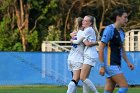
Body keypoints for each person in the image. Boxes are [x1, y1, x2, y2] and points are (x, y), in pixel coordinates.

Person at [99, 9, 135, 93]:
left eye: (127, 18)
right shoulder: (109, 29)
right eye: (125, 17)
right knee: (124, 87)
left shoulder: (122, 32)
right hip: (110, 64)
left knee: (108, 90)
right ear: (118, 17)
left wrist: (128, 62)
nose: (127, 20)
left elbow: (122, 49)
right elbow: (101, 47)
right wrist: (102, 66)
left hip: (116, 63)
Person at [71, 15, 99, 93]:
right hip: (89, 55)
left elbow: (77, 41)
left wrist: (72, 38)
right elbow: (87, 43)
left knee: (82, 77)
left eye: (86, 21)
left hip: (89, 56)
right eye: (83, 20)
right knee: (85, 78)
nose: (83, 22)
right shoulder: (87, 30)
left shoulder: (88, 30)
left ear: (90, 23)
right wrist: (96, 42)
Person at [67, 17, 85, 93]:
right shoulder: (83, 33)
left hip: (70, 58)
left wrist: (71, 37)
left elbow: (73, 39)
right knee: (75, 79)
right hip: (78, 59)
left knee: (74, 81)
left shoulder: (74, 33)